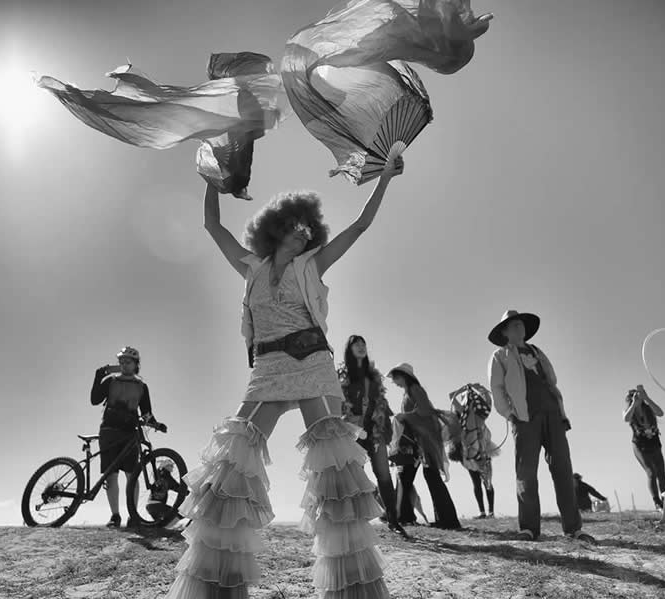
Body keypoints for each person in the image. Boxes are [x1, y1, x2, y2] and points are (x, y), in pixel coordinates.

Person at [163, 156, 403, 599]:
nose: (303, 231)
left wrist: (384, 177)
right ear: (275, 228)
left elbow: (361, 225)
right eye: (295, 224)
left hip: (312, 361)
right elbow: (213, 227)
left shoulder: (313, 264)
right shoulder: (251, 267)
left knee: (337, 470)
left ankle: (352, 590)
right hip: (268, 368)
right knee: (230, 463)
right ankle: (217, 586)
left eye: (308, 227)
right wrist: (213, 180)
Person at [487, 310, 595, 543]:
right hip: (525, 419)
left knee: (564, 471)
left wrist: (560, 411)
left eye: (521, 325)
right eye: (514, 325)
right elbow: (497, 389)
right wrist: (510, 415)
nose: (519, 328)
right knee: (526, 473)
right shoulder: (500, 356)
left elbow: (552, 381)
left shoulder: (538, 352)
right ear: (504, 332)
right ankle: (528, 529)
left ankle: (574, 529)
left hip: (553, 415)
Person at [90, 346, 167, 528]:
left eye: (128, 362)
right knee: (111, 475)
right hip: (109, 431)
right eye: (122, 362)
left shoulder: (141, 387)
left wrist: (156, 424)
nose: (124, 365)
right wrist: (98, 375)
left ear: (136, 365)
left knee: (132, 475)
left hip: (129, 433)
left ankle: (133, 515)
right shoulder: (110, 381)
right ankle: (115, 516)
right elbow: (94, 400)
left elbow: (146, 413)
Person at [337, 335, 405, 535]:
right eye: (356, 344)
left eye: (363, 344)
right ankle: (352, 521)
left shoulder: (373, 376)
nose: (361, 346)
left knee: (384, 475)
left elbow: (380, 402)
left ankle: (394, 521)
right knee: (351, 475)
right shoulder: (341, 375)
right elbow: (336, 402)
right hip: (353, 432)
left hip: (375, 430)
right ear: (349, 349)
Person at [387, 362, 461, 530]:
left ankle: (448, 520)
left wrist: (404, 416)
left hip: (426, 440)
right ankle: (444, 519)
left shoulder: (415, 390)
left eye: (395, 378)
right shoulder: (409, 392)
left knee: (431, 476)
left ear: (403, 376)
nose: (394, 382)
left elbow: (425, 411)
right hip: (420, 440)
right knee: (427, 476)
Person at [449, 383, 498, 519]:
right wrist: (465, 389)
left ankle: (490, 512)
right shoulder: (464, 414)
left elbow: (488, 401)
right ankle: (483, 511)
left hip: (482, 451)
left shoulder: (477, 415)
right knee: (478, 482)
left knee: (486, 481)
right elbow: (451, 397)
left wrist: (478, 389)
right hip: (469, 452)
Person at [623, 384, 665, 509]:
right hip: (639, 445)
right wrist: (634, 404)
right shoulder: (629, 411)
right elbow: (626, 418)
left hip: (654, 443)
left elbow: (661, 413)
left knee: (661, 473)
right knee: (651, 472)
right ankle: (657, 502)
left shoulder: (648, 408)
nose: (638, 399)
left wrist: (646, 398)